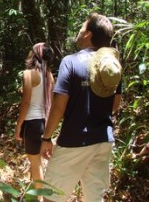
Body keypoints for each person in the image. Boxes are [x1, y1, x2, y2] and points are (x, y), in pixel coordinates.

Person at [40, 13, 123, 202]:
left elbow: (59, 105)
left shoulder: (70, 61)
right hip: (103, 139)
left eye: (82, 28)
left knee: (52, 197)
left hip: (73, 140)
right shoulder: (112, 64)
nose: (79, 31)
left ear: (88, 35)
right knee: (94, 198)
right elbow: (115, 105)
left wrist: (47, 137)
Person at [15, 43, 55, 196]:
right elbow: (51, 102)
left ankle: (40, 198)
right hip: (44, 123)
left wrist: (19, 126)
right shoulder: (49, 75)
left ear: (34, 54)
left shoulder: (28, 74)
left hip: (31, 123)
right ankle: (40, 195)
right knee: (39, 163)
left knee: (35, 164)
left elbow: (25, 102)